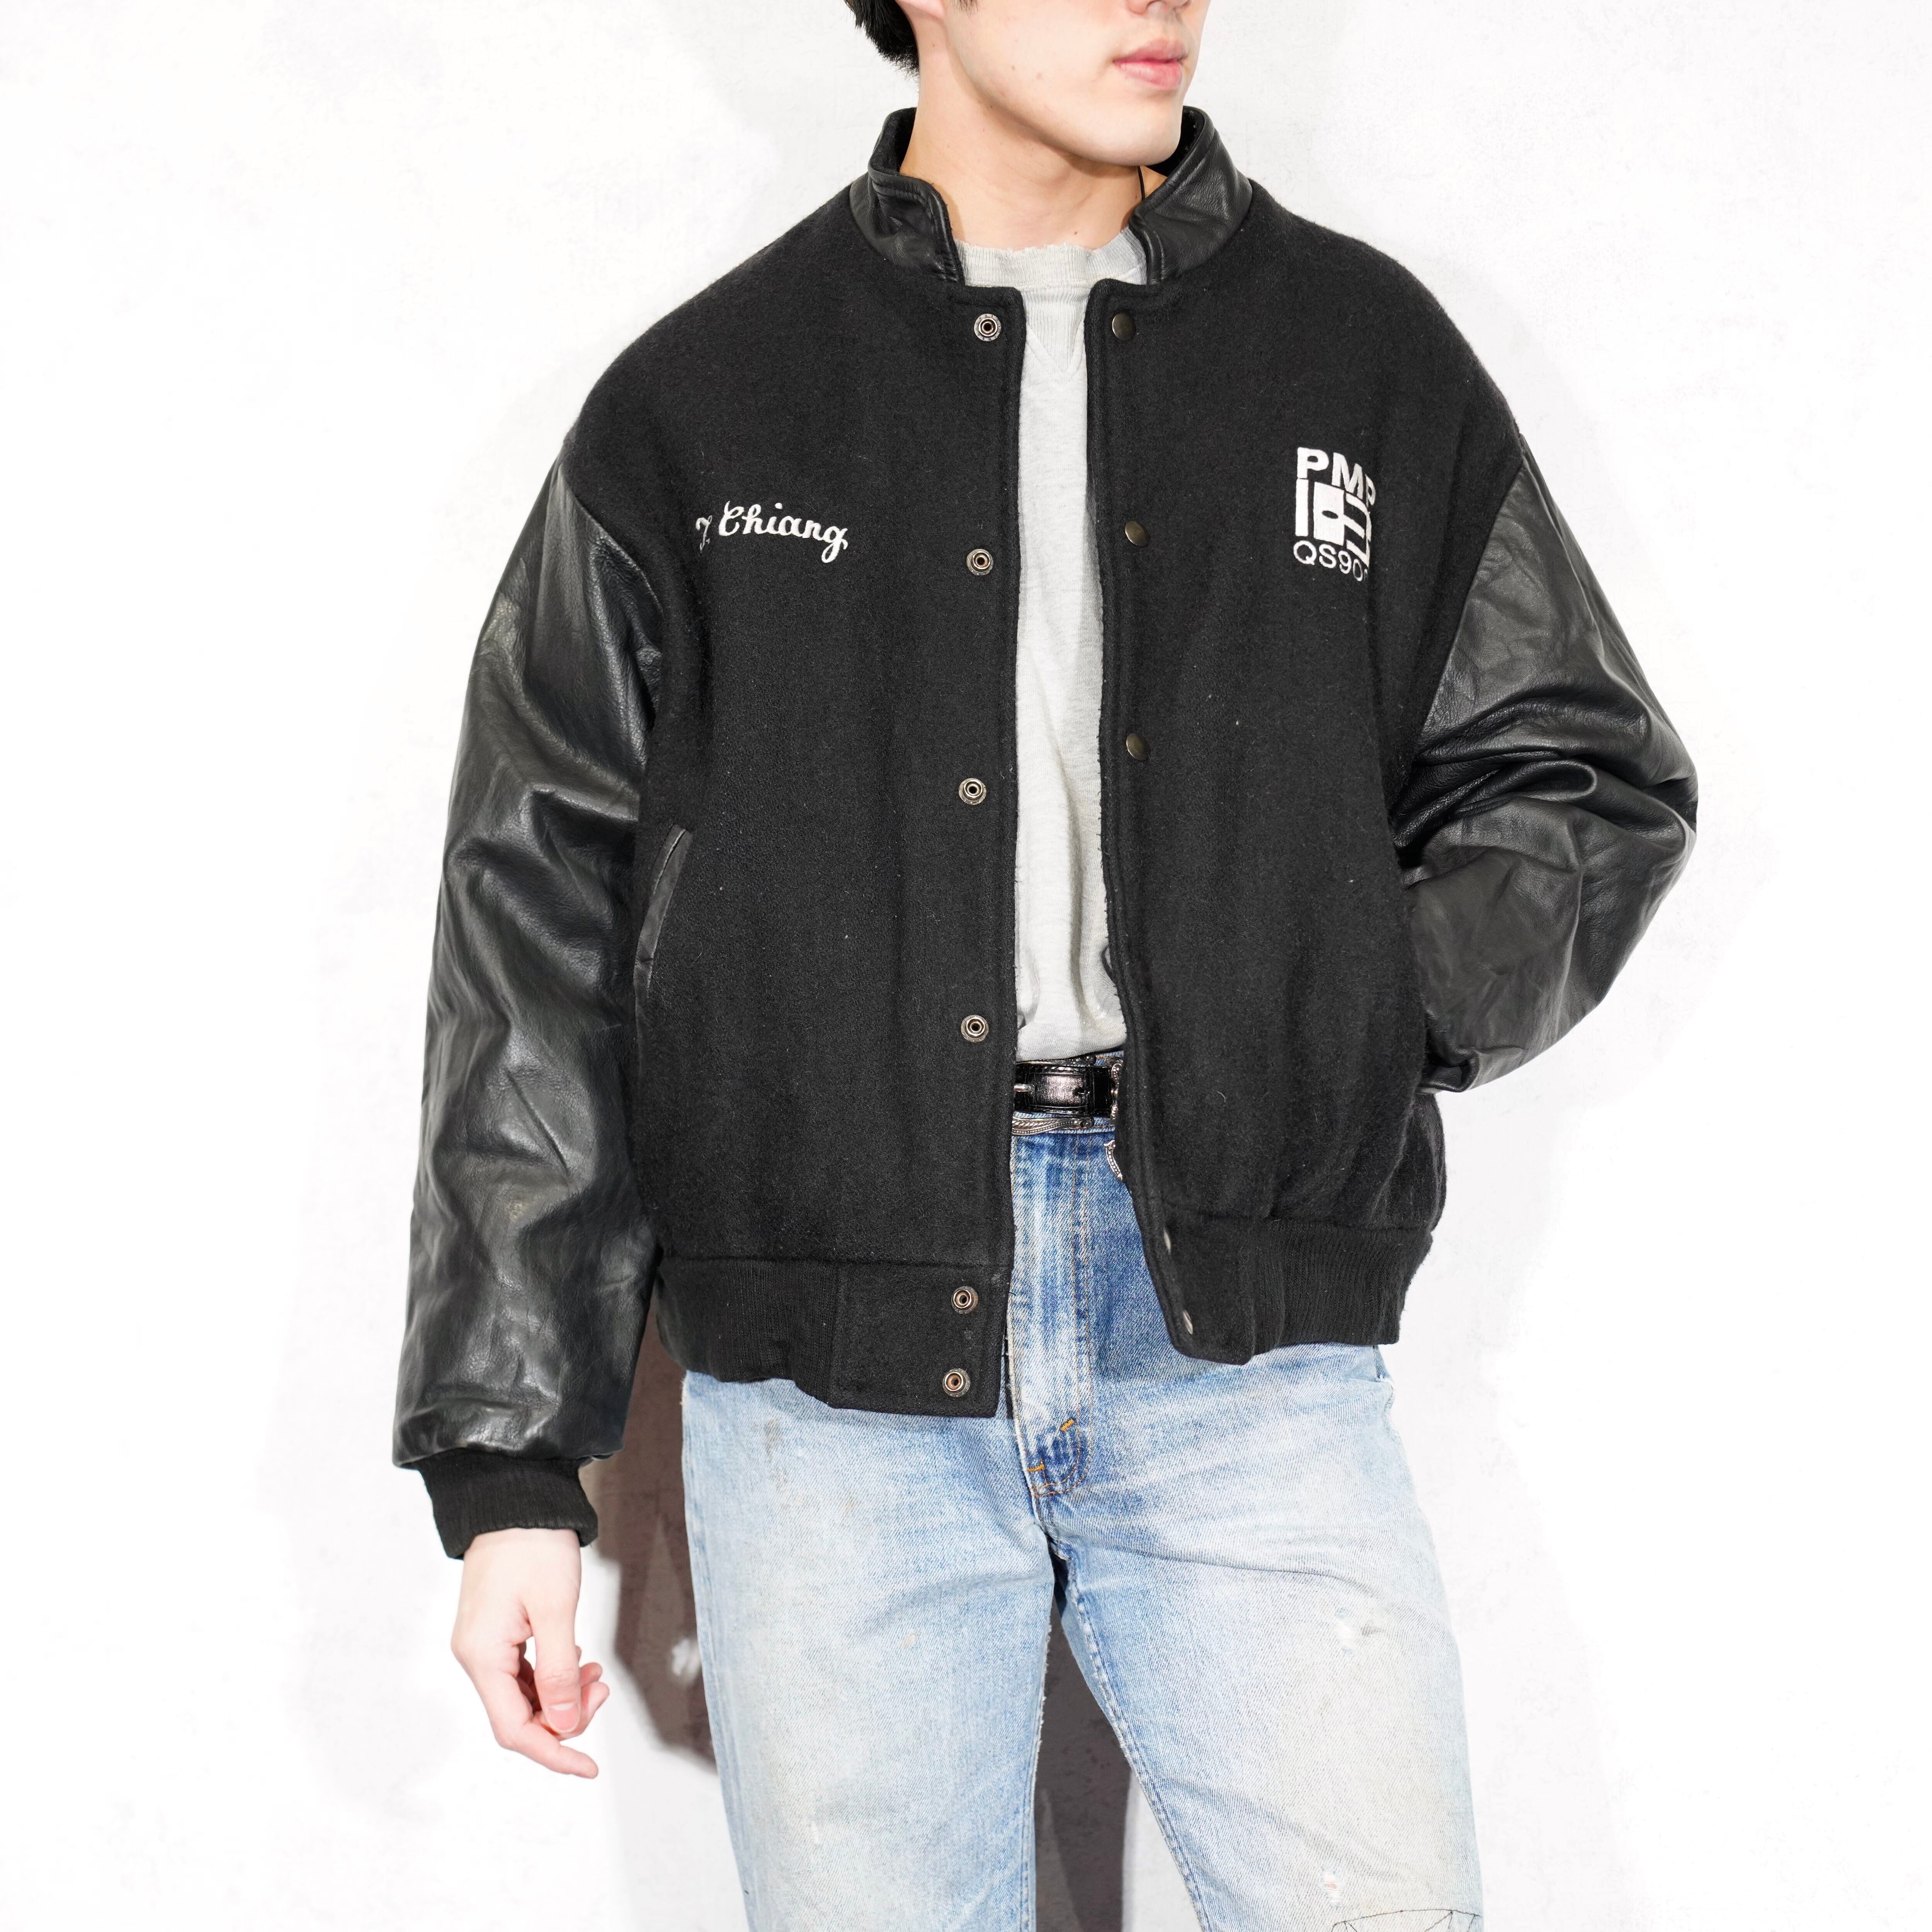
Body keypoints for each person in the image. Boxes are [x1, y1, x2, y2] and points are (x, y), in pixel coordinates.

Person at [394, 0, 1696, 1924]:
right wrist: (512, 1465)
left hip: (1240, 1351)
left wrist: (1333, 1013)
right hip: (830, 1389)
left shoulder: (1357, 357)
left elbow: (1581, 777)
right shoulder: (707, 403)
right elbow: (537, 917)